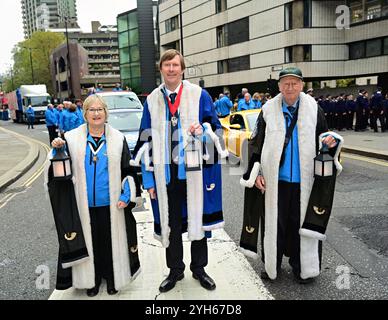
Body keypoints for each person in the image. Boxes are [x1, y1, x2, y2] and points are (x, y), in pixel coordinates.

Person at [133, 49, 226, 293]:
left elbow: (217, 131)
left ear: (182, 69)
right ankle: (175, 270)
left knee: (198, 220)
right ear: (161, 69)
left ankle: (199, 268)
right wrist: (148, 180)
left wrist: (203, 129)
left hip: (193, 172)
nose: (171, 69)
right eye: (167, 65)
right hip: (166, 175)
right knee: (170, 223)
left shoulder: (199, 95)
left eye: (175, 65)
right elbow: (145, 140)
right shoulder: (152, 99)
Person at [240, 67, 343, 284]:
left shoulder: (314, 109)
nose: (290, 87)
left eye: (294, 83)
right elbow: (255, 143)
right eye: (285, 83)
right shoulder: (268, 109)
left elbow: (324, 138)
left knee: (301, 226)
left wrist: (329, 143)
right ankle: (271, 266)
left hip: (304, 181)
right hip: (275, 181)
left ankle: (301, 267)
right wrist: (255, 172)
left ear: (302, 85)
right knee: (273, 226)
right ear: (279, 86)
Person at [48, 94, 141, 297]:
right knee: (91, 244)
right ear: (85, 114)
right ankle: (93, 279)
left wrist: (127, 195)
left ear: (106, 113)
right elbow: (59, 169)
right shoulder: (71, 139)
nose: (96, 113)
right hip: (84, 205)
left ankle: (111, 277)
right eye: (92, 110)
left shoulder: (118, 138)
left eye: (100, 110)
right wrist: (57, 150)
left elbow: (129, 170)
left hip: (111, 204)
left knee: (109, 243)